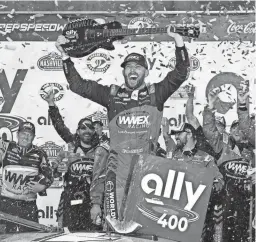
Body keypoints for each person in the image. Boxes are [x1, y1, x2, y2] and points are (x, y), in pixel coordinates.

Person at [55, 28, 190, 229]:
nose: (132, 70)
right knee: (116, 231)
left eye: (138, 67)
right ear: (123, 71)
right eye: (128, 67)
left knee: (144, 231)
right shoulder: (112, 95)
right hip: (117, 176)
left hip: (147, 175)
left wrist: (178, 41)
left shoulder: (157, 94)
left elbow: (181, 73)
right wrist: (65, 56)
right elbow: (78, 86)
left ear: (146, 71)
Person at [44, 89, 109, 231]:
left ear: (95, 131)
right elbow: (52, 172)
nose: (86, 131)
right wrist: (57, 169)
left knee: (94, 237)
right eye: (82, 128)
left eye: (90, 127)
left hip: (93, 202)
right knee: (68, 235)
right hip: (70, 200)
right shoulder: (70, 148)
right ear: (78, 131)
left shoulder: (102, 150)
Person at [202, 86, 254, 242]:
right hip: (223, 204)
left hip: (248, 206)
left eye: (241, 129)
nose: (238, 131)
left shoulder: (252, 154)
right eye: (234, 128)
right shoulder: (222, 148)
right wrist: (210, 108)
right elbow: (209, 131)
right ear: (229, 132)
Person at [169, 122, 224, 241]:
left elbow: (219, 181)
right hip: (175, 216)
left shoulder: (205, 158)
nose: (176, 137)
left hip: (198, 216)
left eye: (178, 134)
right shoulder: (172, 157)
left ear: (189, 134)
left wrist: (208, 189)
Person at [0, 121, 53, 232]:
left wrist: (42, 186)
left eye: (29, 134)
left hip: (28, 205)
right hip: (6, 203)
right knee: (4, 236)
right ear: (17, 134)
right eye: (23, 133)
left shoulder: (40, 153)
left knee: (31, 236)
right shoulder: (5, 147)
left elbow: (49, 176)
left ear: (34, 136)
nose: (26, 136)